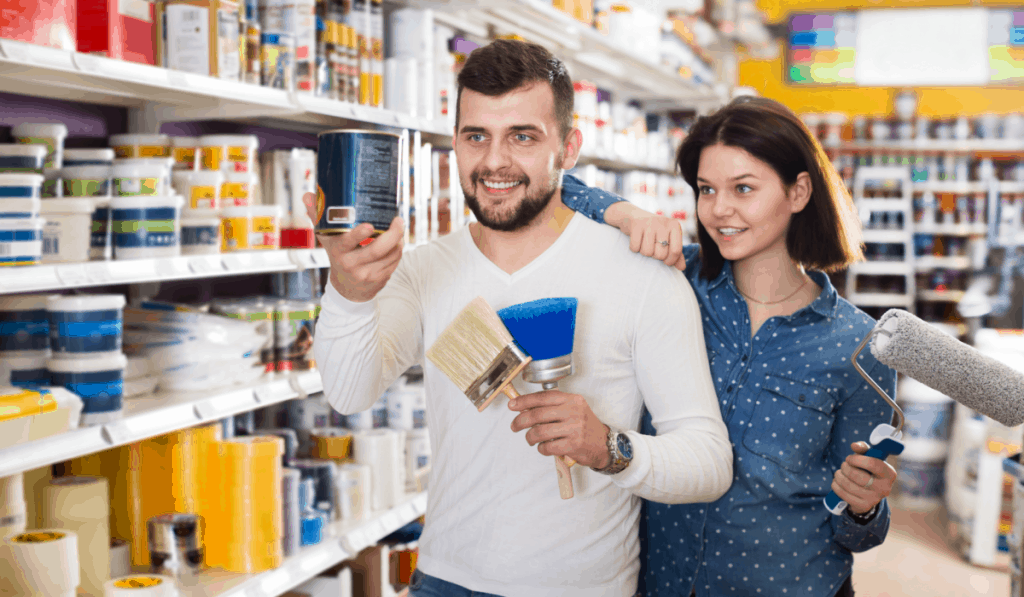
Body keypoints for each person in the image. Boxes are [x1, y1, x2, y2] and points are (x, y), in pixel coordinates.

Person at [309, 39, 733, 597]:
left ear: (569, 148)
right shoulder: (423, 269)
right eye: (475, 136)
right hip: (444, 580)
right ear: (454, 143)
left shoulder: (642, 276)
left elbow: (708, 462)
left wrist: (609, 447)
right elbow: (348, 392)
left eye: (523, 137)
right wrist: (347, 290)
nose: (494, 162)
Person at [559, 96, 898, 596]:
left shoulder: (859, 346)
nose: (719, 210)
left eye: (743, 188)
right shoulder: (673, 282)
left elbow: (855, 532)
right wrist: (625, 213)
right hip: (664, 581)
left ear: (798, 191)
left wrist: (865, 503)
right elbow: (553, 187)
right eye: (706, 189)